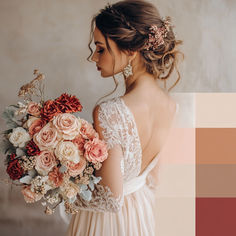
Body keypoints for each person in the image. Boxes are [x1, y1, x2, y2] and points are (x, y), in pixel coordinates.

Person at [66, 0, 183, 235]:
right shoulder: (171, 106)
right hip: (142, 213)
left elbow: (110, 200)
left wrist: (60, 184)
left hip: (109, 225)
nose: (94, 58)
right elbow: (154, 180)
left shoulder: (110, 112)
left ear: (130, 51)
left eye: (100, 48)